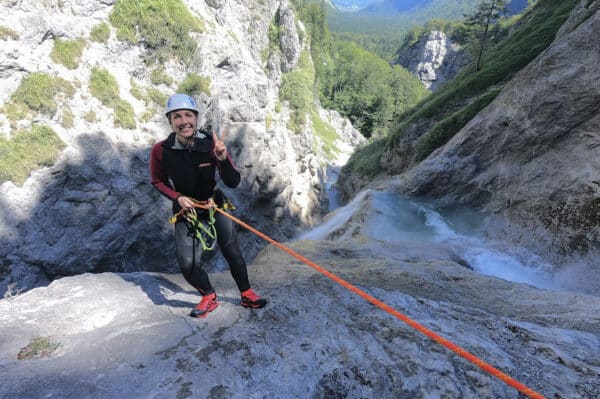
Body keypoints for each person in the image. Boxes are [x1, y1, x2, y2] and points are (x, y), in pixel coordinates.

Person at [150, 93, 267, 318]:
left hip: (214, 204)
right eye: (177, 116)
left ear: (196, 118)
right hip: (186, 209)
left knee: (232, 252)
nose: (184, 121)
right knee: (187, 264)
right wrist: (177, 197)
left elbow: (233, 181)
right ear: (170, 121)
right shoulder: (161, 150)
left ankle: (246, 293)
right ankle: (209, 296)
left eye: (188, 115)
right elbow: (157, 181)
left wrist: (222, 159)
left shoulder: (211, 143)